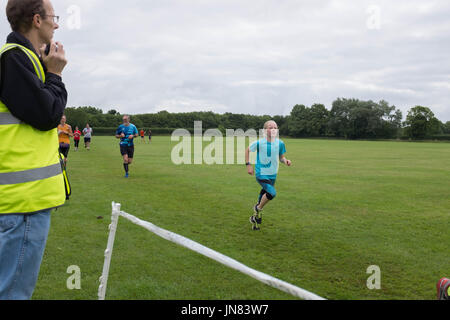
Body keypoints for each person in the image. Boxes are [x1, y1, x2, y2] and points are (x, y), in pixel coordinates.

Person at [0, 0, 68, 300]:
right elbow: (47, 115)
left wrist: (43, 69)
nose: (57, 24)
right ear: (37, 20)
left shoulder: (22, 59)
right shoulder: (13, 59)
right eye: (53, 17)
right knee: (14, 293)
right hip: (22, 204)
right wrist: (54, 74)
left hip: (19, 203)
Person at [245, 120, 291, 230]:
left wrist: (286, 161)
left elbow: (281, 157)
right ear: (265, 130)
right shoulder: (260, 143)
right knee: (272, 193)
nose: (273, 129)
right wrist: (248, 165)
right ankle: (258, 208)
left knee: (263, 197)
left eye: (275, 127)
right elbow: (247, 150)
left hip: (273, 175)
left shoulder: (280, 143)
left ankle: (254, 220)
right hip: (261, 173)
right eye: (270, 127)